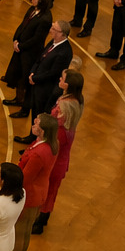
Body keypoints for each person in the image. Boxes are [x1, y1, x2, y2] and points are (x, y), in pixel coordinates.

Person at [36, 69, 85, 233]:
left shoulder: (61, 132)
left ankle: (41, 220)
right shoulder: (72, 101)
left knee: (49, 190)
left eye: (63, 78)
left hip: (56, 163)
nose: (60, 79)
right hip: (58, 160)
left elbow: (51, 147)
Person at [8, 113, 58, 251]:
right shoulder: (50, 145)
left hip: (30, 195)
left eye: (36, 124)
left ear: (43, 131)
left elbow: (26, 178)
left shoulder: (39, 153)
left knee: (19, 231)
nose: (33, 125)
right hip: (40, 191)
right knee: (26, 229)